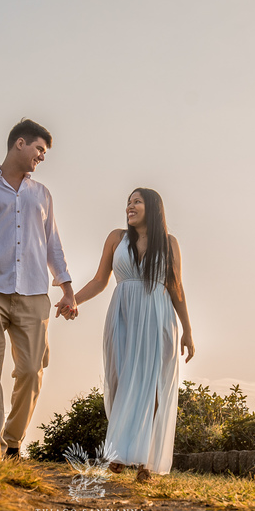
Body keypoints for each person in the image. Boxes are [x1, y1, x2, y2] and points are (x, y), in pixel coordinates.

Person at [0, 119, 77, 459]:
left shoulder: (42, 194)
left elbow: (53, 244)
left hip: (34, 291)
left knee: (33, 369)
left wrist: (66, 287)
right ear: (19, 144)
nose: (42, 157)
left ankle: (12, 440)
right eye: (40, 149)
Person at [57, 188, 194, 481]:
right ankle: (119, 448)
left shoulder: (169, 243)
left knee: (155, 385)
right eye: (128, 203)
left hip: (159, 316)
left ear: (153, 208)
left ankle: (144, 462)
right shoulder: (116, 238)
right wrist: (73, 300)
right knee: (120, 379)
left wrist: (187, 330)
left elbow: (176, 287)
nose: (129, 207)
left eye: (136, 202)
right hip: (123, 315)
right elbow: (99, 280)